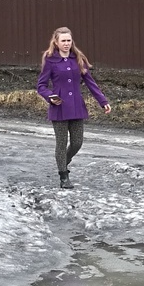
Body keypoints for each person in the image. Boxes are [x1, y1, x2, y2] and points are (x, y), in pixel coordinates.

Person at [35, 26, 111, 188]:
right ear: (56, 42)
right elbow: (41, 86)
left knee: (77, 142)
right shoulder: (50, 60)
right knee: (61, 144)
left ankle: (64, 160)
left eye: (69, 40)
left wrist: (103, 101)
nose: (66, 43)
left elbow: (90, 83)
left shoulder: (78, 58)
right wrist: (50, 96)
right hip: (59, 107)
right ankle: (63, 176)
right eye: (63, 41)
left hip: (77, 106)